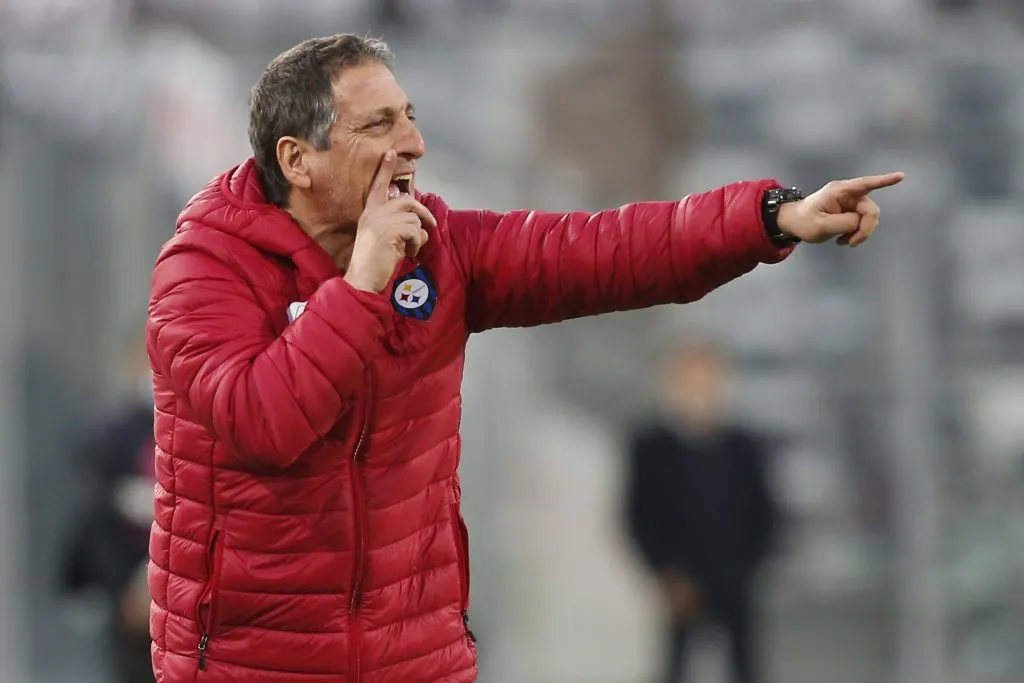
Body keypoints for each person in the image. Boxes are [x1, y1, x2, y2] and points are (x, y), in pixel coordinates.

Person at [145, 33, 903, 683]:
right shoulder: (204, 269)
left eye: (411, 117)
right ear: (297, 159)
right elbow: (265, 423)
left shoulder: (443, 254)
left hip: (416, 661)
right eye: (379, 125)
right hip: (249, 665)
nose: (413, 143)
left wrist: (771, 217)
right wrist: (364, 280)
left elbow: (607, 250)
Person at [625, 340, 780, 683]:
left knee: (746, 668)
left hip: (735, 580)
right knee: (673, 668)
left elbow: (765, 515)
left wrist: (745, 570)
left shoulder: (745, 447)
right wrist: (666, 574)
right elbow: (638, 516)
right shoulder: (650, 447)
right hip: (677, 583)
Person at [59, 333, 156, 683]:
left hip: (185, 603)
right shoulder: (108, 436)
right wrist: (127, 593)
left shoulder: (201, 426)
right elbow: (98, 518)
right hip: (128, 608)